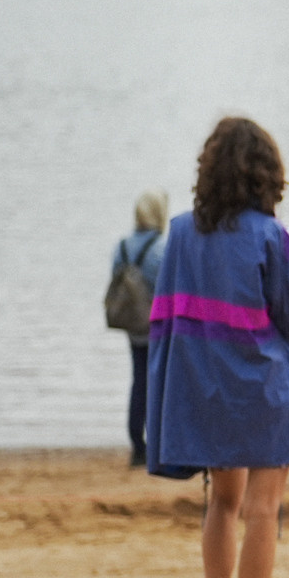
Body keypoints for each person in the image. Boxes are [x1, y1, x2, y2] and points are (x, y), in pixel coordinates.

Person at [144, 118, 289, 578]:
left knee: (222, 503)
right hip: (265, 394)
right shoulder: (271, 236)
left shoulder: (178, 232)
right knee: (263, 510)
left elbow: (168, 320)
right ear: (267, 176)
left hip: (207, 393)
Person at [110, 190, 169, 469]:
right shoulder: (161, 247)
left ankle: (137, 444)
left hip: (133, 324)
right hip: (158, 326)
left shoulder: (121, 247)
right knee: (158, 383)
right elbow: (169, 288)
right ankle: (157, 444)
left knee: (139, 380)